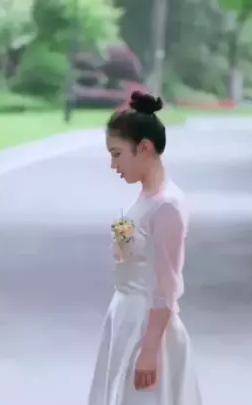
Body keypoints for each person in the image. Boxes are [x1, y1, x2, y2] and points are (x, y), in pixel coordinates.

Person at [88, 91, 202, 405]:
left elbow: (167, 286)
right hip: (125, 317)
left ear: (145, 148)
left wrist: (149, 350)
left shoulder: (167, 206)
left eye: (117, 154)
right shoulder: (146, 198)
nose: (113, 165)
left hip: (147, 327)